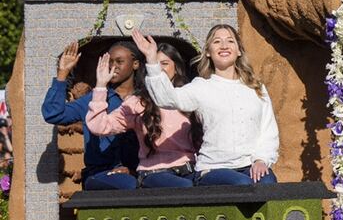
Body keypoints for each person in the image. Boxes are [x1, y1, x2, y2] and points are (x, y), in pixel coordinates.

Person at [137, 26, 279, 185]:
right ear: (208, 52)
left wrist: (261, 160)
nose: (224, 46)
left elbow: (268, 130)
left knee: (268, 182)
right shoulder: (201, 87)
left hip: (250, 165)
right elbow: (166, 98)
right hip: (214, 168)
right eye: (217, 42)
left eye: (230, 41)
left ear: (239, 50)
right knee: (242, 184)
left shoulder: (256, 88)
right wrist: (152, 60)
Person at [86, 44, 199, 188]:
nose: (159, 68)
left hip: (190, 170)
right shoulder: (138, 102)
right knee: (185, 187)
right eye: (154, 64)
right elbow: (99, 126)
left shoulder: (189, 97)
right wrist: (101, 85)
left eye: (164, 63)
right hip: (154, 173)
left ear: (176, 67)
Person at [42, 40, 140, 190]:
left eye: (119, 62)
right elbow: (53, 114)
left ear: (135, 64)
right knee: (128, 184)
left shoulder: (146, 99)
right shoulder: (93, 100)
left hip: (141, 173)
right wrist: (62, 74)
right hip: (99, 175)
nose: (113, 66)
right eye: (109, 62)